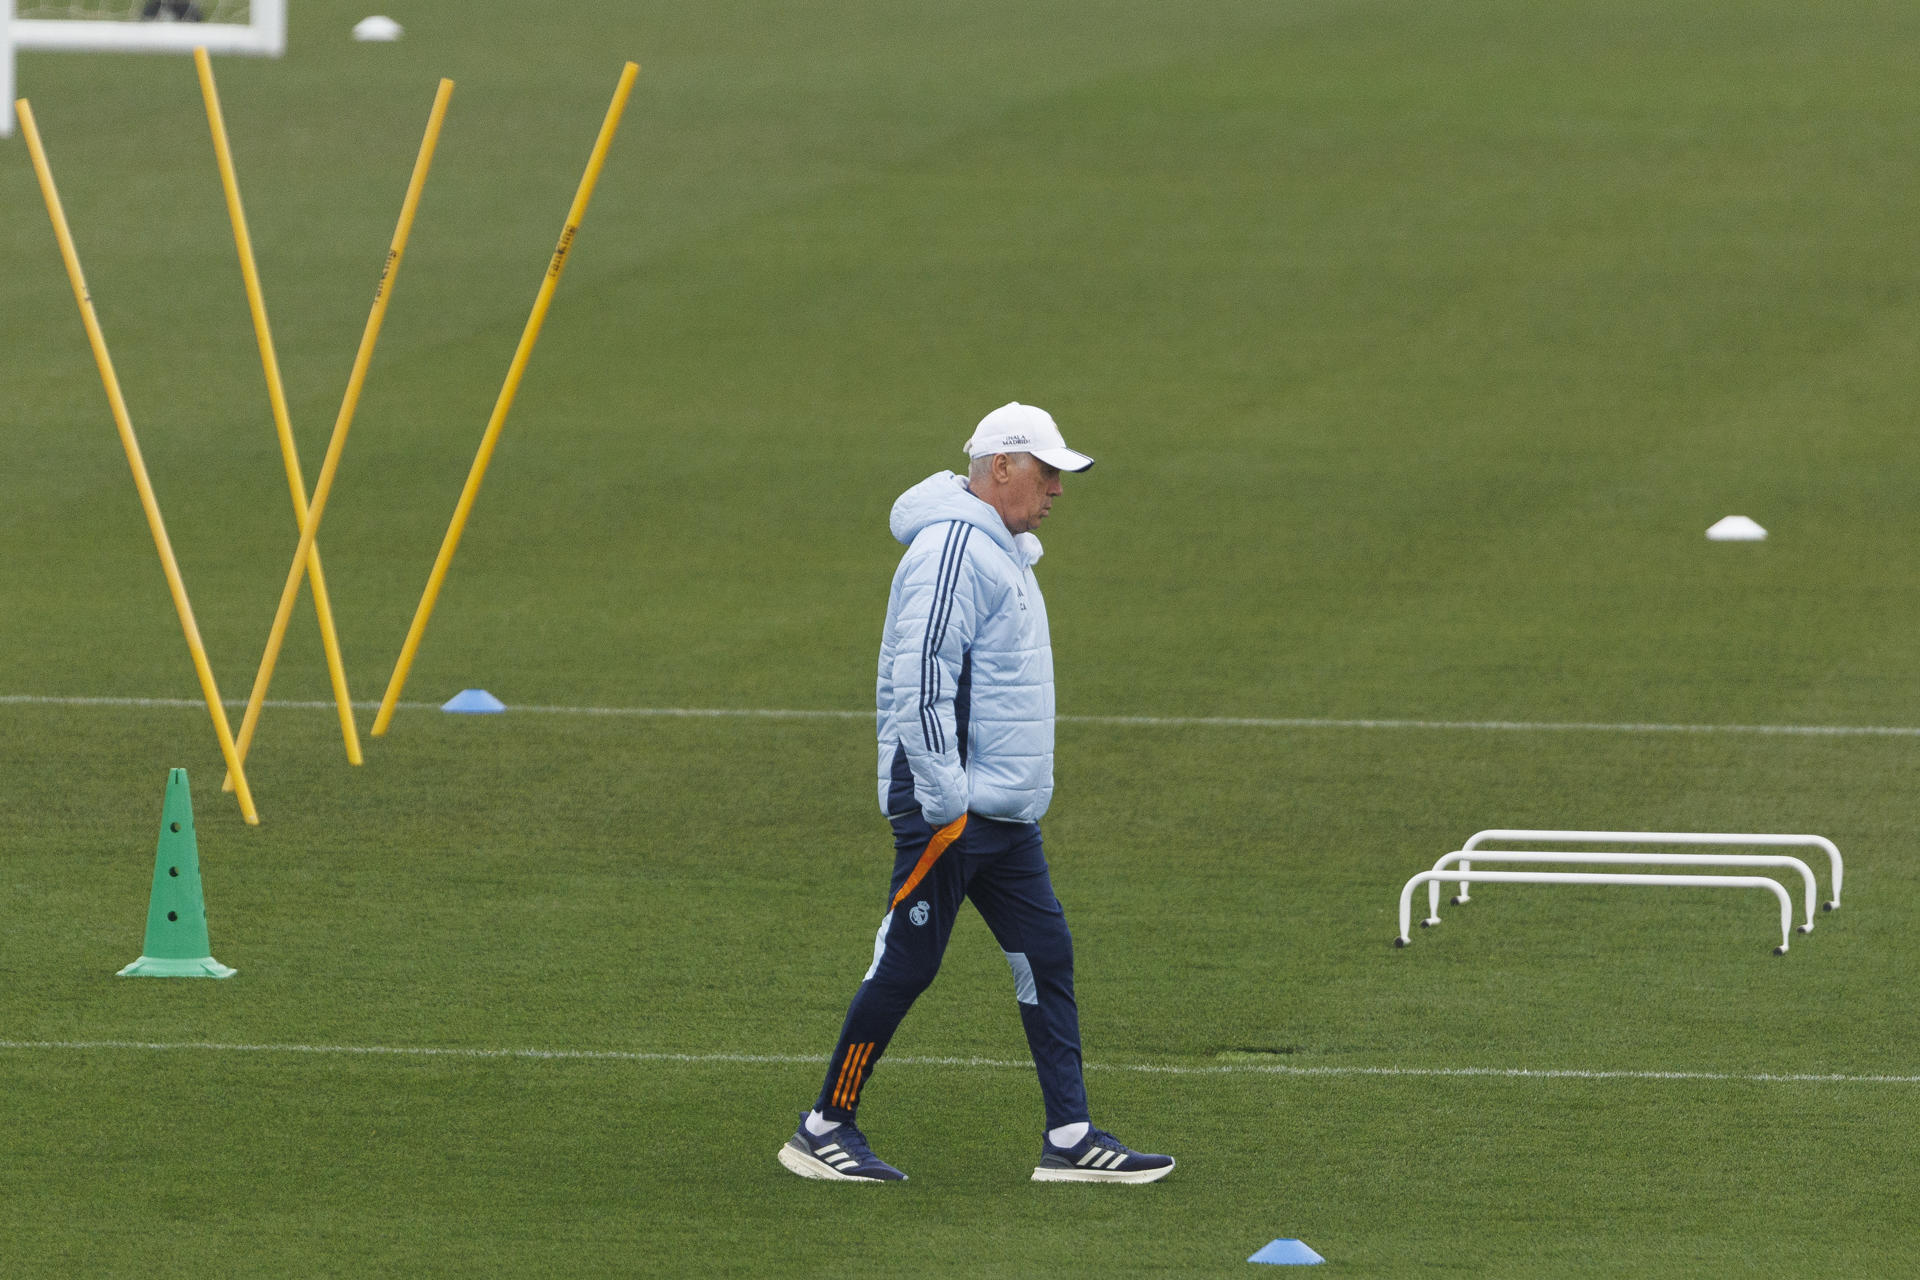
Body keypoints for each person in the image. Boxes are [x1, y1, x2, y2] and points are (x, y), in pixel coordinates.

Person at [776, 402, 1175, 1185]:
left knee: (1046, 955)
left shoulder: (1000, 551)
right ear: (1000, 467)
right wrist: (944, 798)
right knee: (906, 965)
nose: (1057, 488)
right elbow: (921, 676)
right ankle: (824, 1125)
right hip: (953, 808)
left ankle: (1069, 1136)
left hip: (1003, 812)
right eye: (1046, 471)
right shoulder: (956, 547)